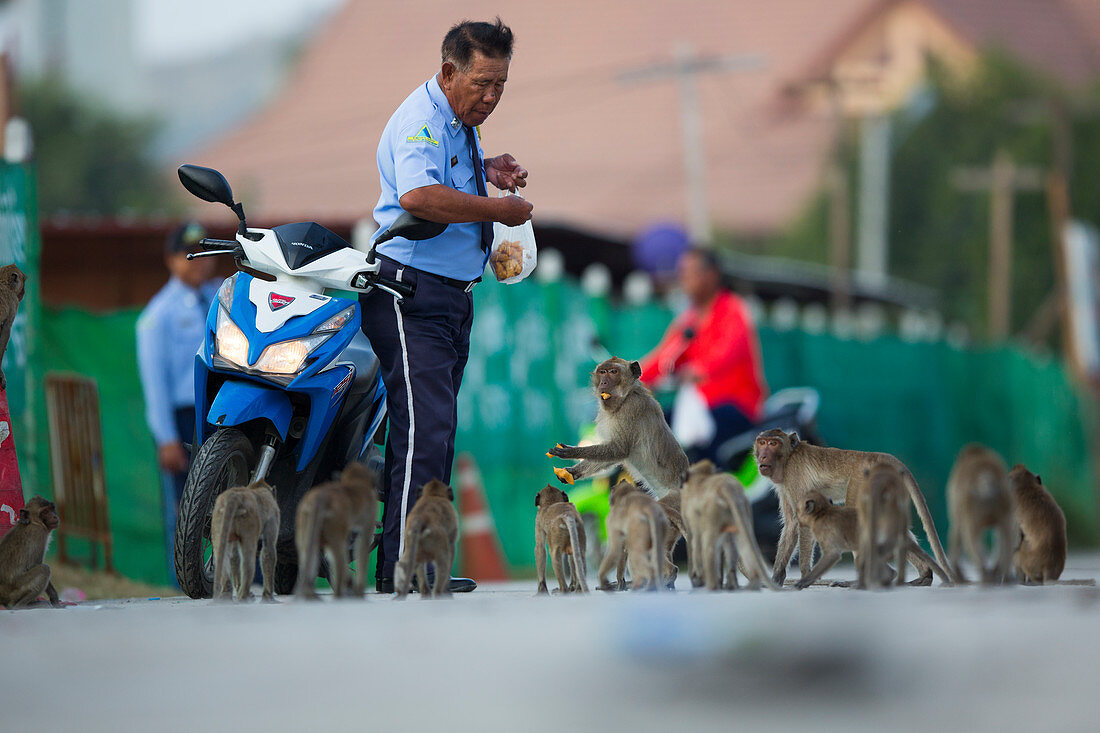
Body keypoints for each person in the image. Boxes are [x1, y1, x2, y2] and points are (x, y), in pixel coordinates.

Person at [362, 18, 533, 593]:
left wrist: (488, 172)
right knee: (421, 432)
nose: (490, 97)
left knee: (435, 432)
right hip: (411, 294)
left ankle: (418, 563)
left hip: (448, 298)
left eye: (501, 86)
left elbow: (445, 176)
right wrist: (496, 211)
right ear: (448, 71)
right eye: (482, 83)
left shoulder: (457, 122)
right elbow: (417, 195)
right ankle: (406, 570)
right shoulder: (423, 120)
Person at [136, 221, 222, 582]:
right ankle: (186, 582)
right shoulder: (158, 315)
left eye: (204, 255)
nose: (199, 263)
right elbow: (154, 384)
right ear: (172, 260)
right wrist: (167, 438)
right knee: (187, 507)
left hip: (225, 413)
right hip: (186, 419)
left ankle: (239, 576)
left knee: (229, 496)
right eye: (190, 256)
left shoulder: (224, 298)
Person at [638, 248, 768, 465]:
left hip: (735, 407)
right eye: (682, 272)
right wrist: (628, 377)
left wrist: (699, 370)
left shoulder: (732, 310)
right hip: (698, 409)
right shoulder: (688, 320)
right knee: (653, 426)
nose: (684, 278)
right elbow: (664, 358)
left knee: (699, 449)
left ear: (712, 275)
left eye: (691, 272)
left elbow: (727, 352)